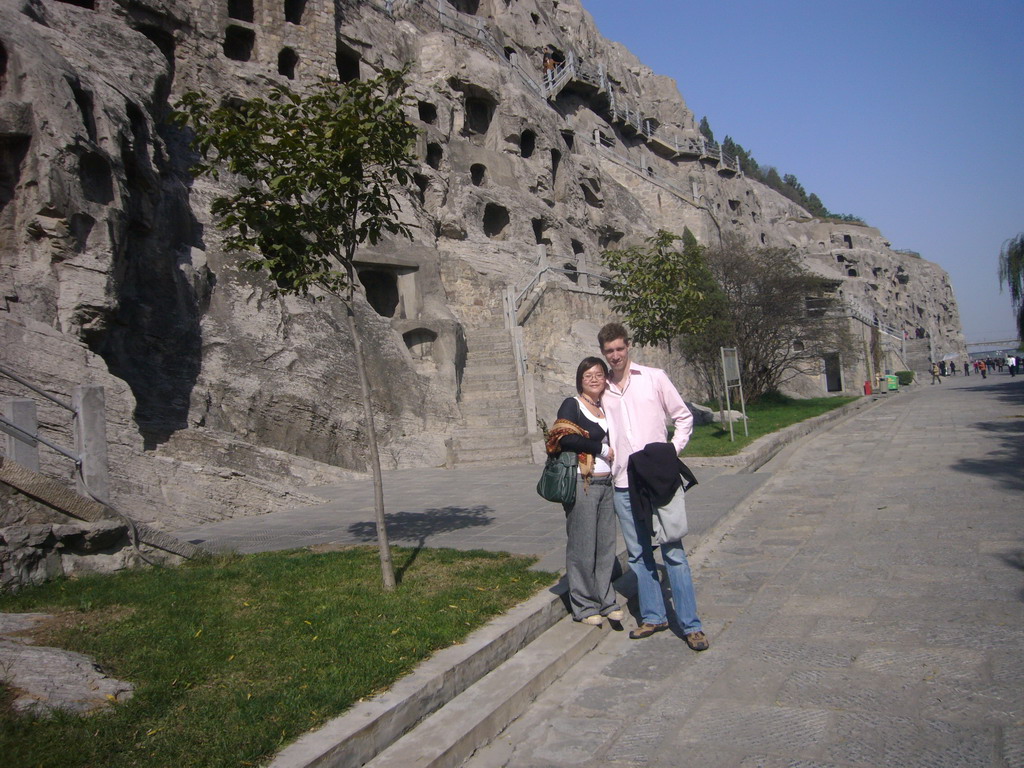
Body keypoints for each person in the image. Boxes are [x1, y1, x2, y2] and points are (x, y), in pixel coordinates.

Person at [598, 322, 709, 652]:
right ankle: (653, 615)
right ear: (602, 353)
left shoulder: (654, 377)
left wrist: (671, 451)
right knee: (638, 555)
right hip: (623, 482)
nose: (615, 356)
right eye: (609, 351)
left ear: (628, 346)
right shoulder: (602, 388)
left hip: (658, 479)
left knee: (673, 551)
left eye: (619, 349)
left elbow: (683, 416)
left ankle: (691, 625)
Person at [545, 357, 623, 626]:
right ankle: (584, 605)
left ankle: (607, 600)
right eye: (588, 375)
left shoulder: (606, 407)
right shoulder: (573, 404)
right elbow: (562, 436)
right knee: (582, 546)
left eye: (599, 374)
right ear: (580, 379)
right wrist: (600, 449)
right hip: (583, 483)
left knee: (605, 547)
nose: (594, 379)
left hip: (606, 484)